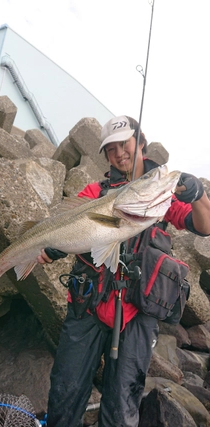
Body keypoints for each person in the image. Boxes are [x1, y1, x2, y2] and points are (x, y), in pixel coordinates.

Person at [37, 115, 210, 427]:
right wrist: (54, 246)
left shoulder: (161, 193)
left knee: (122, 411)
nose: (119, 153)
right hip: (87, 306)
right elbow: (70, 227)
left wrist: (198, 195)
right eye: (111, 149)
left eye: (125, 144)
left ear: (140, 142)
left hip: (136, 312)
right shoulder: (95, 192)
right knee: (64, 394)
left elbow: (205, 225)